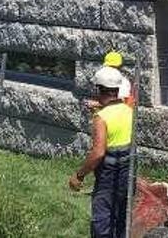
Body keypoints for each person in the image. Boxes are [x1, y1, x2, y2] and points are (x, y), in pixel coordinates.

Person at [69, 66, 134, 238]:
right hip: (128, 171)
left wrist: (79, 175)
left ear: (99, 89)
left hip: (108, 174)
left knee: (102, 219)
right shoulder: (129, 111)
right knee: (122, 217)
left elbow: (98, 152)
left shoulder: (101, 117)